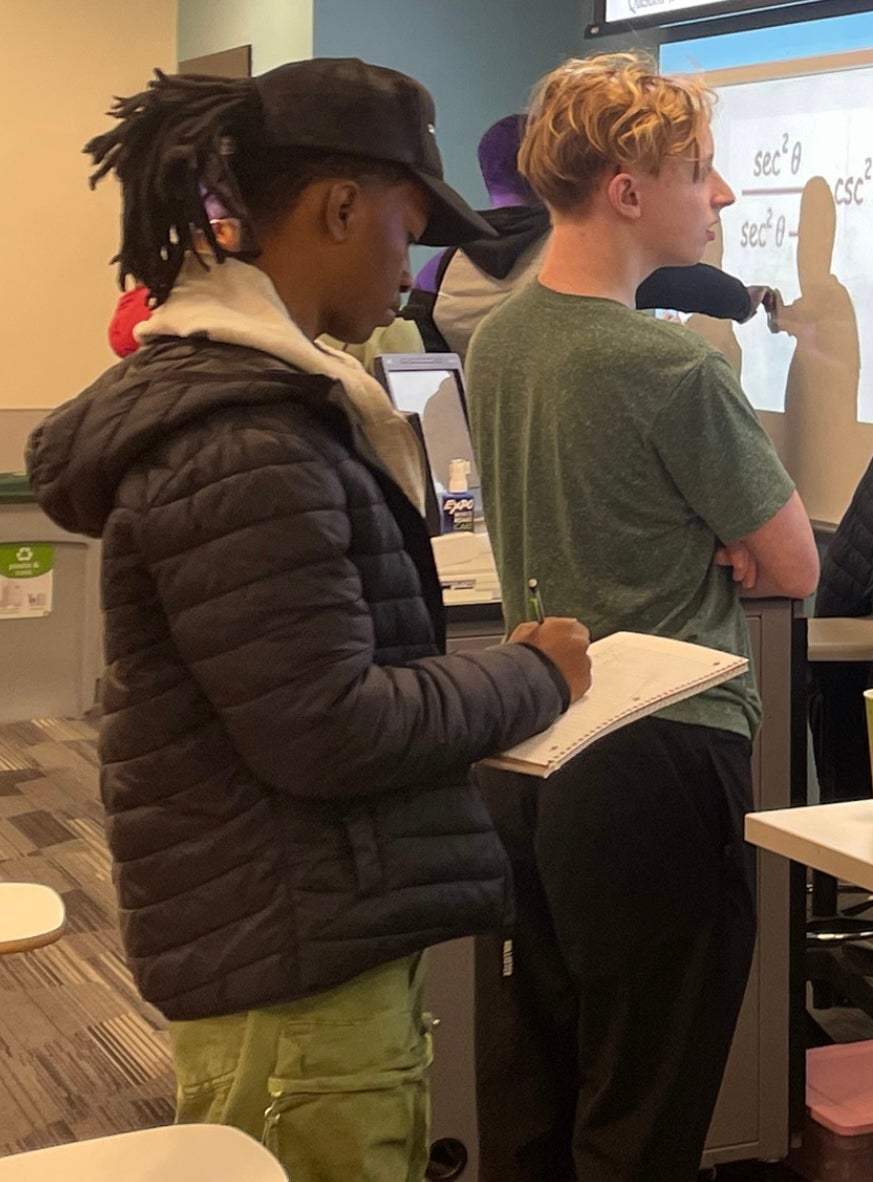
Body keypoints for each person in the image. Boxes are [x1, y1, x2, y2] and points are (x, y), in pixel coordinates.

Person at [27, 60, 592, 1180]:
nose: (410, 260)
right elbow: (326, 723)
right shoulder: (247, 442)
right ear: (340, 207)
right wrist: (535, 674)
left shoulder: (264, 409)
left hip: (297, 940)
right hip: (292, 976)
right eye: (407, 223)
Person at [462, 53, 818, 1182]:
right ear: (626, 189)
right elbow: (794, 566)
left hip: (527, 749)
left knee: (538, 1087)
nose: (722, 197)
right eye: (698, 170)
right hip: (662, 755)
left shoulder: (499, 341)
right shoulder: (669, 366)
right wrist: (727, 548)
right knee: (646, 1108)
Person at [405, 111, 776, 357]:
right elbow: (697, 287)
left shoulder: (436, 271)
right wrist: (744, 301)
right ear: (556, 171)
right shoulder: (585, 255)